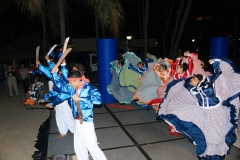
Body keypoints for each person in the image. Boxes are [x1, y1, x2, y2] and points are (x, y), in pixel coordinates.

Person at [157, 58, 240, 159]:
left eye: (193, 79)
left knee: (213, 135)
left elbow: (222, 81)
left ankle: (212, 150)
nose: (191, 81)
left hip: (214, 114)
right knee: (199, 129)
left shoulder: (208, 86)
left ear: (198, 79)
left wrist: (218, 65)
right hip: (202, 111)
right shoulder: (194, 87)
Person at [52, 69, 107, 160]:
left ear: (77, 80)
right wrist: (55, 73)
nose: (70, 84)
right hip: (76, 121)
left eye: (71, 82)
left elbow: (98, 101)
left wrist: (81, 99)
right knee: (79, 145)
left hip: (86, 121)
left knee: (92, 147)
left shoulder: (89, 88)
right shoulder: (73, 89)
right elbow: (60, 87)